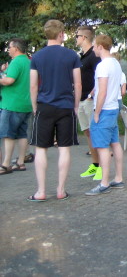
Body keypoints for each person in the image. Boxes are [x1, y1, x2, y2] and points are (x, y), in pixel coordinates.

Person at [29, 20, 82, 201]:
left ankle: (41, 191)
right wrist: (76, 105)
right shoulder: (72, 55)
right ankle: (61, 190)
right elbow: (78, 83)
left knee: (41, 149)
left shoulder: (37, 57)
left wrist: (35, 107)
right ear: (61, 34)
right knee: (64, 149)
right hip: (66, 107)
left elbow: (33, 86)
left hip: (44, 106)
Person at [85, 34, 125, 196]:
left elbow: (101, 92)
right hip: (114, 108)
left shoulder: (103, 66)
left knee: (102, 147)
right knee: (115, 143)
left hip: (105, 110)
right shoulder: (115, 63)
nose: (93, 48)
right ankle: (118, 178)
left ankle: (104, 183)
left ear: (100, 46)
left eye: (94, 46)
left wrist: (96, 112)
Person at [0, 38, 33, 174]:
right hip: (26, 103)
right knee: (22, 134)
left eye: (10, 47)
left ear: (16, 48)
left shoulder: (16, 62)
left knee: (8, 135)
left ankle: (6, 164)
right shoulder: (28, 61)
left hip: (12, 104)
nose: (8, 49)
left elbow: (9, 81)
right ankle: (20, 162)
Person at [76, 26, 103, 181]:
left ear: (84, 38)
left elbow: (100, 78)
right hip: (81, 100)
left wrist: (91, 95)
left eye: (77, 36)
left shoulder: (94, 55)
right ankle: (95, 164)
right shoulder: (83, 56)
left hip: (89, 100)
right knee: (88, 133)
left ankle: (102, 167)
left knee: (95, 132)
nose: (76, 39)